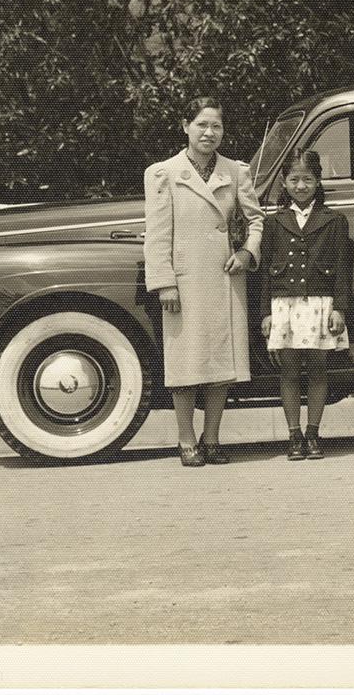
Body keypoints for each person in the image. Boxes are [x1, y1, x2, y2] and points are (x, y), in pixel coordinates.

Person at [143, 96, 265, 466]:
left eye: (216, 126)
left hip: (226, 278)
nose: (209, 133)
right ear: (185, 126)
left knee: (219, 363)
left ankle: (212, 438)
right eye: (201, 125)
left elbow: (256, 219)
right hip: (184, 281)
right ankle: (186, 439)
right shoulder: (164, 173)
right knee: (185, 363)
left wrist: (247, 252)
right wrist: (165, 282)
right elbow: (157, 233)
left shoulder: (236, 170)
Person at [259, 149, 351, 460]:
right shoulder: (273, 223)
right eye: (294, 179)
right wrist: (266, 314)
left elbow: (342, 267)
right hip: (283, 305)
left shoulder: (334, 220)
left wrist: (339, 308)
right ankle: (293, 435)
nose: (301, 186)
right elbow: (265, 274)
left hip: (320, 304)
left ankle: (313, 433)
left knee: (317, 368)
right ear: (283, 182)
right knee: (288, 371)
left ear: (318, 181)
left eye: (307, 179)